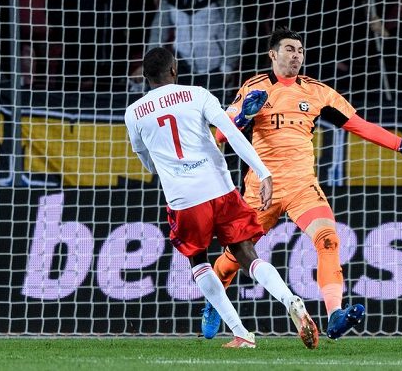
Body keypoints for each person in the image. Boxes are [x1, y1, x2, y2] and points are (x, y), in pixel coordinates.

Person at [202, 27, 402, 341]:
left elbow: (360, 127)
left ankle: (335, 315)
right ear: (273, 54)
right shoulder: (255, 87)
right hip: (262, 188)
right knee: (236, 257)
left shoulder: (317, 92)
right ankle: (214, 299)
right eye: (289, 49)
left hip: (303, 186)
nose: (296, 55)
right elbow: (220, 137)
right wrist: (242, 117)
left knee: (328, 239)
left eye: (300, 50)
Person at [124, 47, 319, 349]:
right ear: (174, 70)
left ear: (145, 78)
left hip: (184, 200)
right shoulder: (197, 94)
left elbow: (148, 164)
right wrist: (262, 172)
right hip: (221, 189)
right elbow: (231, 130)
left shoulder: (134, 113)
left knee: (199, 261)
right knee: (246, 255)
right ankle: (289, 299)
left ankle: (242, 333)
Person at [48, 0, 155, 95]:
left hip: (118, 58)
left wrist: (131, 45)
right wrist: (75, 39)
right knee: (68, 105)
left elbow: (146, 13)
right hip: (76, 56)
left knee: (114, 107)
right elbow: (55, 10)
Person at [146, 0, 244, 106]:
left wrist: (228, 66)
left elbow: (235, 30)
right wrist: (152, 66)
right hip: (180, 67)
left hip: (216, 68)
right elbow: (158, 33)